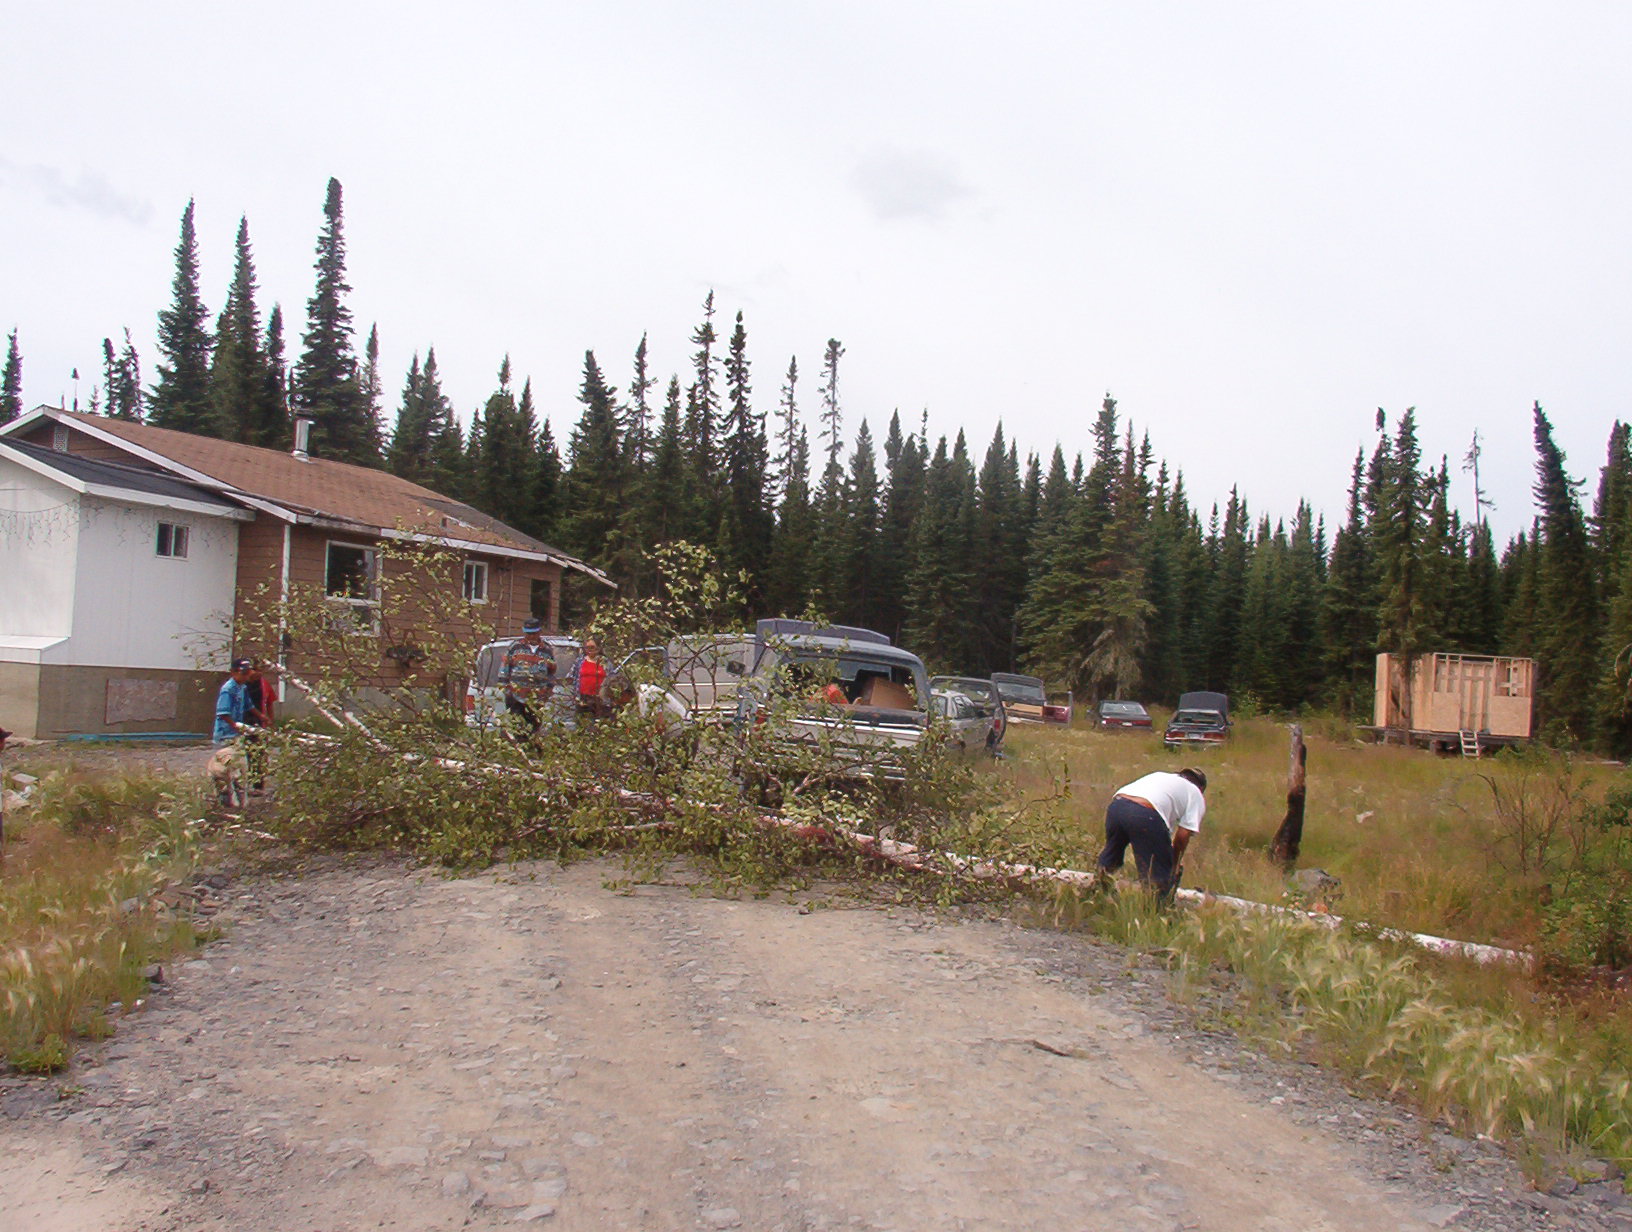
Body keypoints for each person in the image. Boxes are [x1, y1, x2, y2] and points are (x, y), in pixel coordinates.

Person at [1096, 768, 1207, 899]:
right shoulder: (1195, 792)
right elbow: (1183, 836)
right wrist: (1174, 863)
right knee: (1158, 873)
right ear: (1201, 788)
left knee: (1111, 856)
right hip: (1145, 813)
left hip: (1117, 806)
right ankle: (1156, 911)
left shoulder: (1161, 776)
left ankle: (1099, 894)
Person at [501, 619, 557, 735]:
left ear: (539, 632)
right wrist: (506, 690)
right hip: (516, 697)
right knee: (518, 730)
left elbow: (551, 672)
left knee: (534, 731)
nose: (531, 636)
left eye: (533, 633)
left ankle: (532, 752)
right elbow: (504, 669)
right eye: (528, 633)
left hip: (537, 698)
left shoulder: (547, 650)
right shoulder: (515, 647)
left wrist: (548, 691)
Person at [214, 659, 258, 745]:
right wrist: (235, 725)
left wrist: (262, 716)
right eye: (244, 674)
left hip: (236, 734)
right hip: (225, 735)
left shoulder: (243, 688)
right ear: (234, 672)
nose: (246, 677)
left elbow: (249, 706)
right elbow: (222, 713)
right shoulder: (227, 689)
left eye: (247, 674)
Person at [574, 636, 610, 721]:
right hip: (584, 700)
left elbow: (612, 679)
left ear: (598, 648)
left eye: (592, 647)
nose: (589, 649)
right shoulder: (580, 661)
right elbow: (572, 677)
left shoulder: (605, 662)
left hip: (601, 701)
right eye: (587, 647)